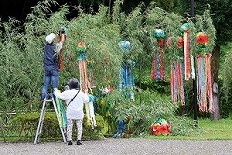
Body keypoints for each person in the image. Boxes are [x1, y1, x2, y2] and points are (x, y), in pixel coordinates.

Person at [54, 78, 89, 145]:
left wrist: (55, 90)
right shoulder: (80, 93)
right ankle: (79, 140)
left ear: (70, 85)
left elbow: (59, 96)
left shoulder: (67, 92)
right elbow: (87, 100)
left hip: (70, 113)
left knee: (69, 126)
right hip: (79, 113)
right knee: (79, 126)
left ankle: (69, 140)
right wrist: (86, 93)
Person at [41, 33, 60, 100]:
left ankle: (43, 97)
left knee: (45, 85)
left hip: (47, 69)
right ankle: (55, 97)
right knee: (55, 86)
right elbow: (60, 48)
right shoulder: (55, 47)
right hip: (54, 69)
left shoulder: (45, 47)